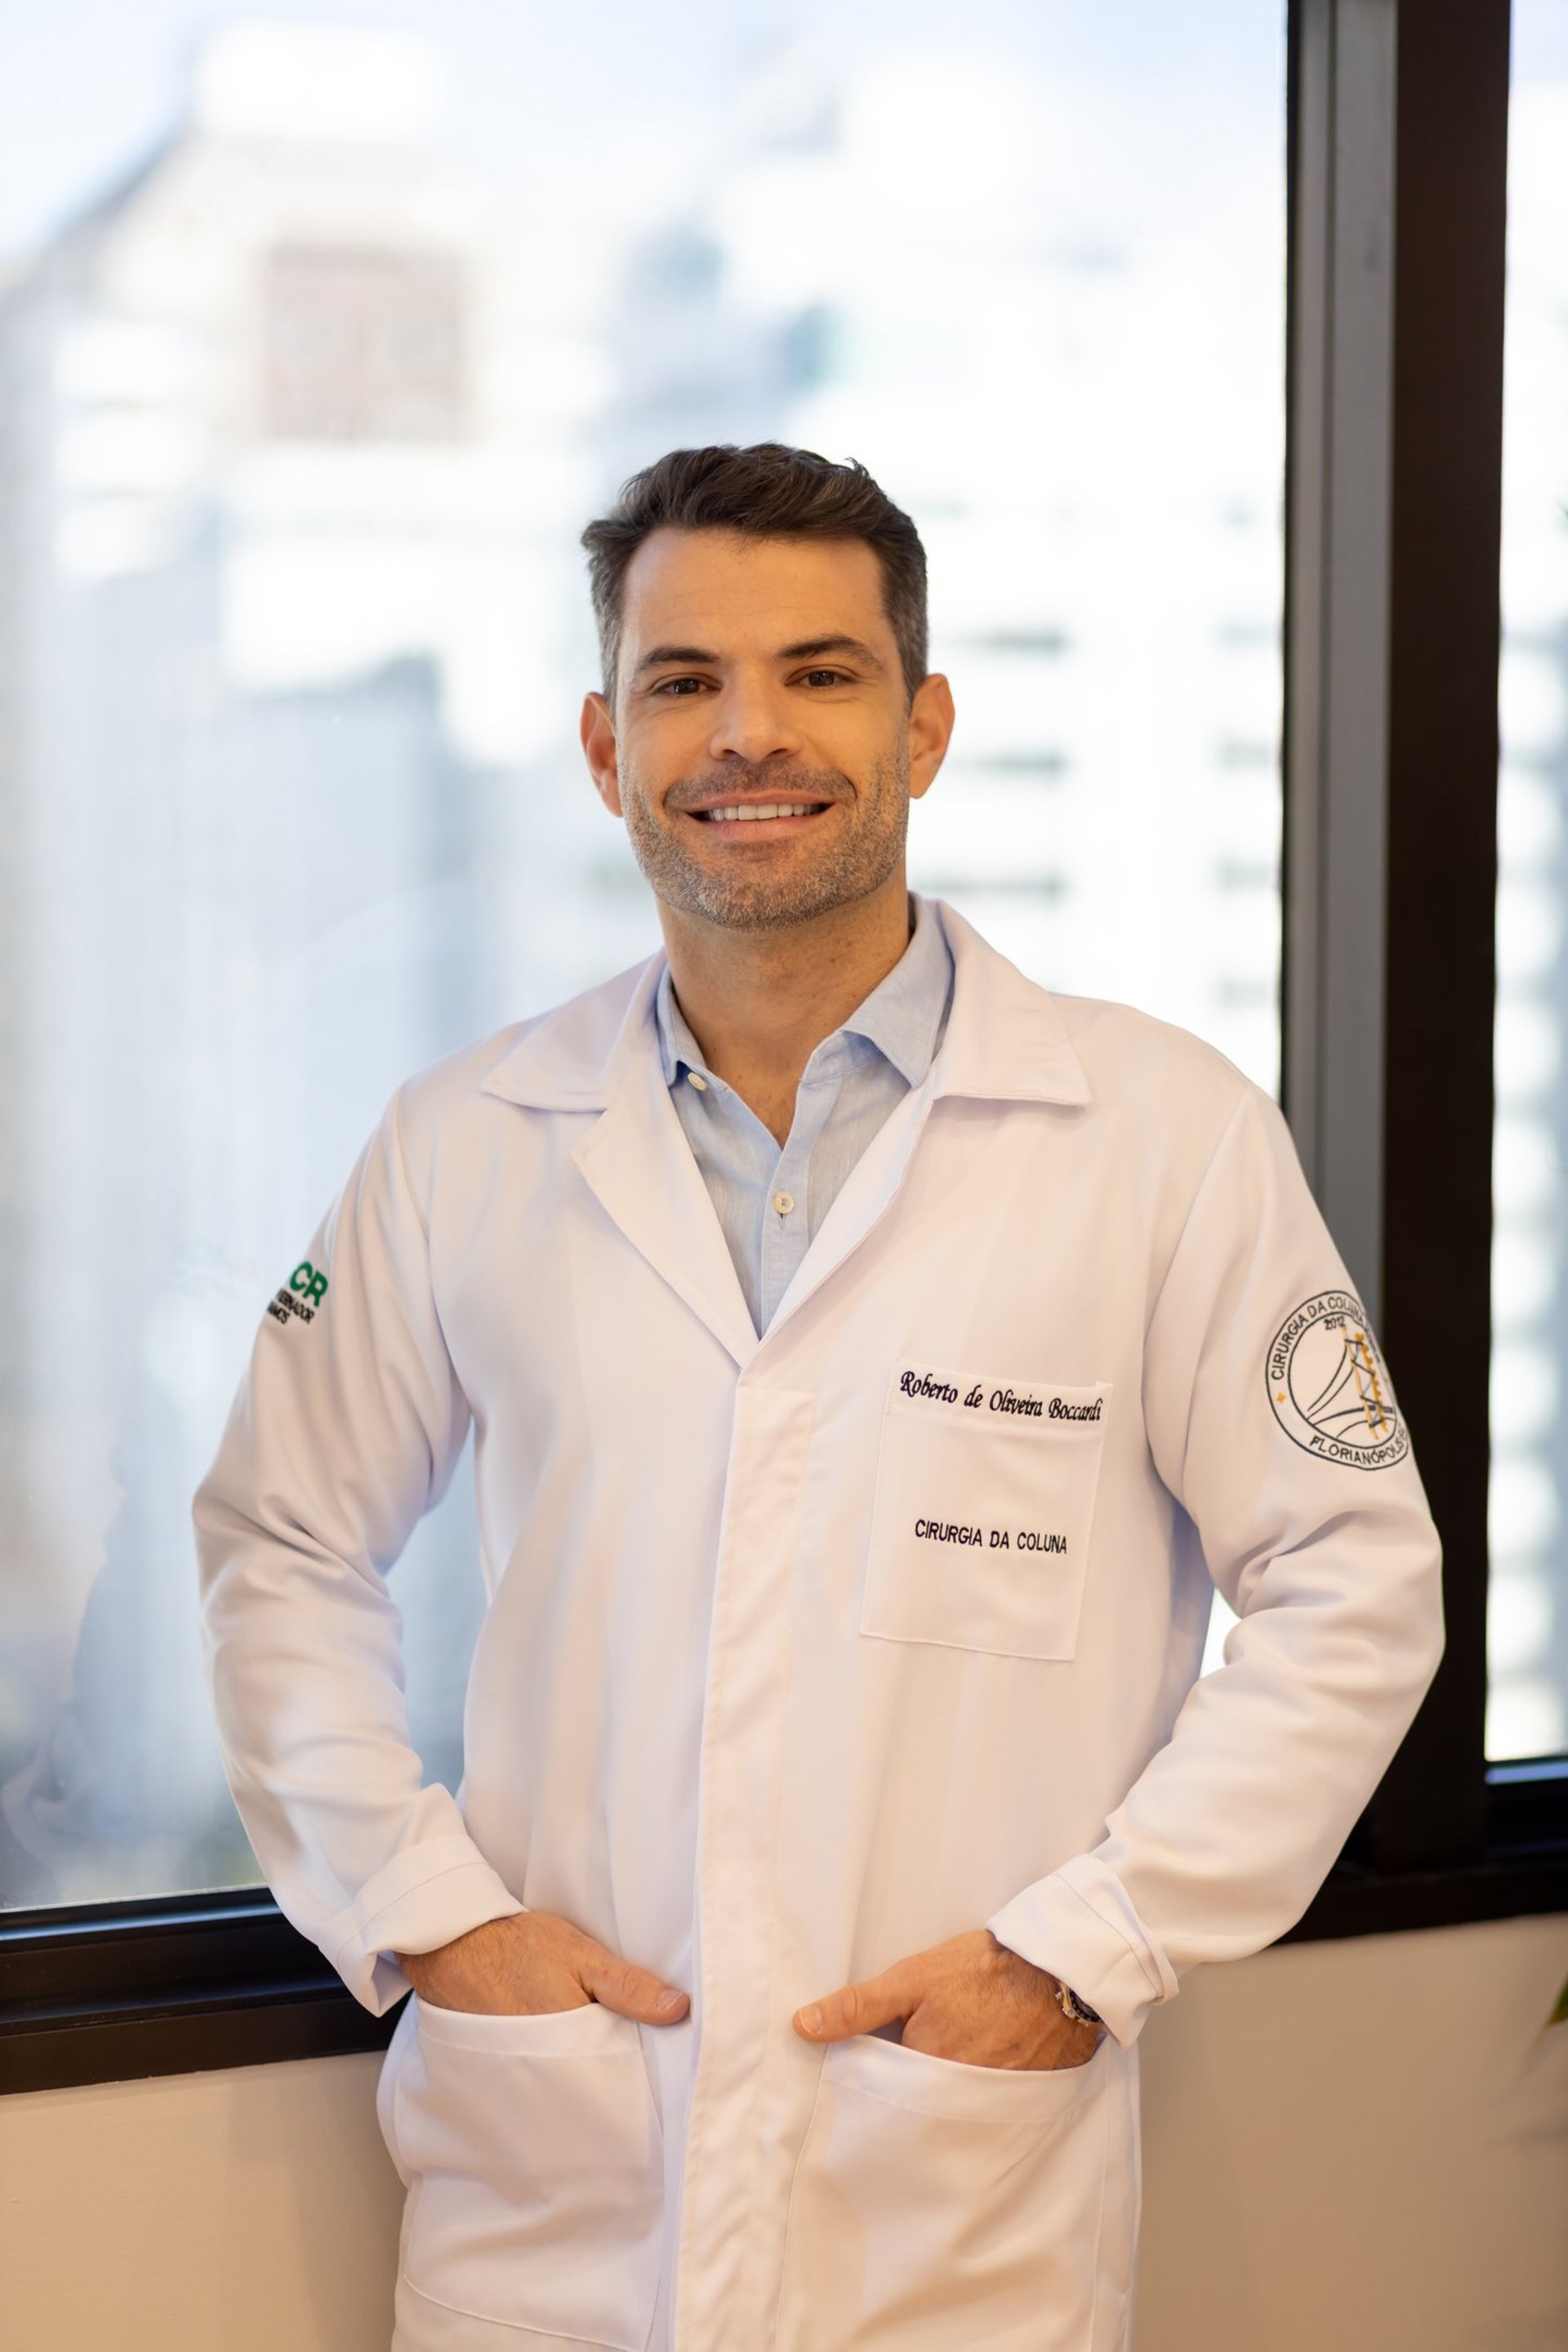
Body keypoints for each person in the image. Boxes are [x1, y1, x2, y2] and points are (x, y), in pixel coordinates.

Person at [194, 442, 1444, 2352]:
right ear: (608, 752)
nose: (747, 736)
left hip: (950, 2195)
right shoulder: (463, 1140)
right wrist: (427, 1911)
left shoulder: (1165, 1137)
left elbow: (1353, 1590)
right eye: (682, 682)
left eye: (820, 673)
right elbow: (280, 1540)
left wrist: (1079, 1954)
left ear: (925, 725)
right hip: (559, 2186)